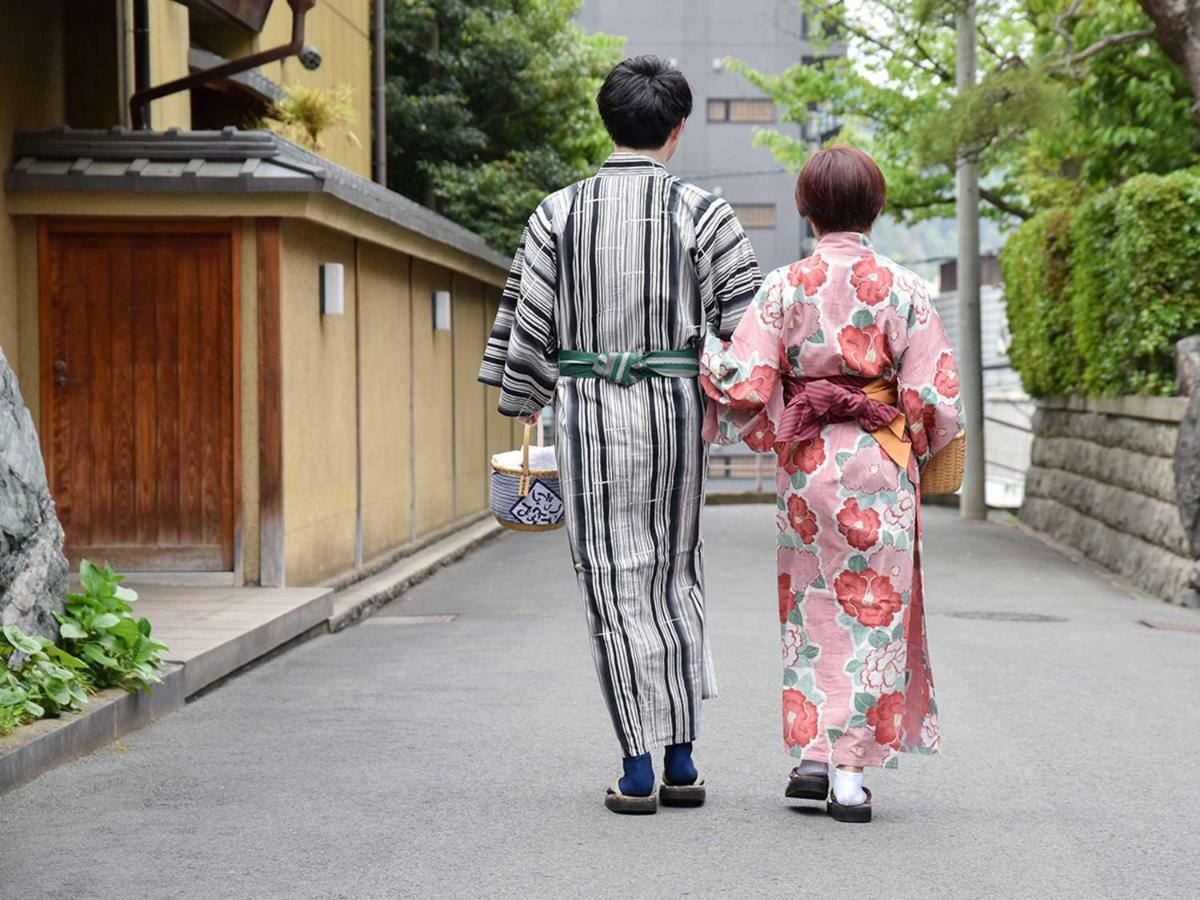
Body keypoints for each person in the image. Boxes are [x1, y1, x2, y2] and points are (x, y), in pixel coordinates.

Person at [478, 56, 760, 814]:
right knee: (675, 572)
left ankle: (636, 765)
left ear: (609, 122)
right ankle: (682, 759)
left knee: (612, 580)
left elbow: (527, 333)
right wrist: (745, 408)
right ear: (677, 129)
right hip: (672, 411)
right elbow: (749, 330)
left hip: (591, 412)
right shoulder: (704, 213)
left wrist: (526, 398)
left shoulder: (556, 214)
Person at [699, 146, 964, 823]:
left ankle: (813, 758)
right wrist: (919, 437)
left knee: (812, 606)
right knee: (874, 608)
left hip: (807, 463)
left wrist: (701, 348)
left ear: (805, 208)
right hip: (880, 457)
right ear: (876, 209)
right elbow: (935, 397)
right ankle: (849, 775)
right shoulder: (904, 288)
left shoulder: (784, 286)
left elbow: (747, 381)